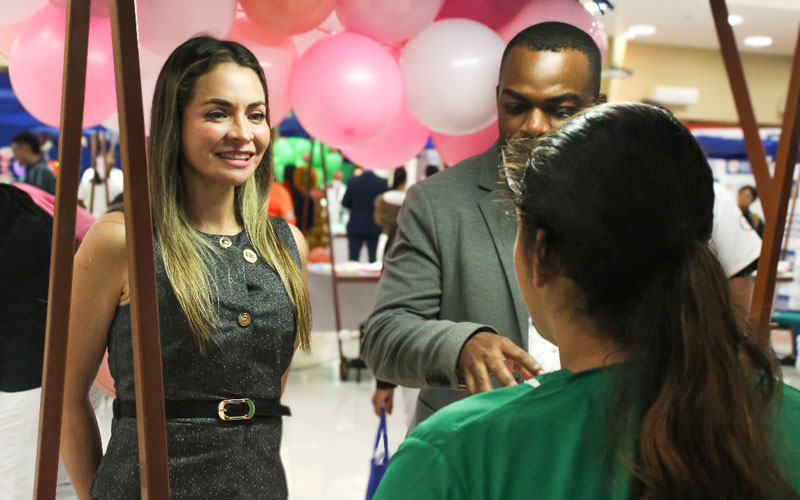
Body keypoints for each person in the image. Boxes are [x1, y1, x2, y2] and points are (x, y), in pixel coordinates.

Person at [374, 102, 800, 500]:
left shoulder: (457, 453)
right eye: (518, 104)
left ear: (540, 255)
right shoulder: (784, 420)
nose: (536, 123)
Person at [60, 36, 311, 499]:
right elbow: (67, 396)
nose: (243, 132)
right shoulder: (124, 240)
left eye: (256, 114)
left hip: (259, 484)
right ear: (175, 122)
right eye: (218, 113)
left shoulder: (285, 246)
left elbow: (266, 387)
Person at [363, 22, 603, 428]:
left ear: (595, 107)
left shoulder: (624, 202)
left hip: (591, 442)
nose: (534, 126)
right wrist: (462, 346)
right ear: (497, 101)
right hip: (472, 449)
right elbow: (385, 336)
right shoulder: (438, 202)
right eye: (516, 106)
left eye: (561, 110)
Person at [0, 183, 106, 499]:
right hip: (77, 361)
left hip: (34, 373)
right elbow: (88, 229)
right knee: (67, 483)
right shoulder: (24, 196)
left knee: (22, 488)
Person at [341, 168, 388, 263]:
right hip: (374, 225)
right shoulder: (383, 183)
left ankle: (351, 278)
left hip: (355, 224)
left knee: (353, 260)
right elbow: (384, 206)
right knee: (373, 260)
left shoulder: (353, 182)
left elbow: (345, 203)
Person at [11, 131, 56, 195]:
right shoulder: (33, 170)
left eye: (15, 150)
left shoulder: (41, 171)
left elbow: (44, 202)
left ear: (25, 148)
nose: (14, 155)